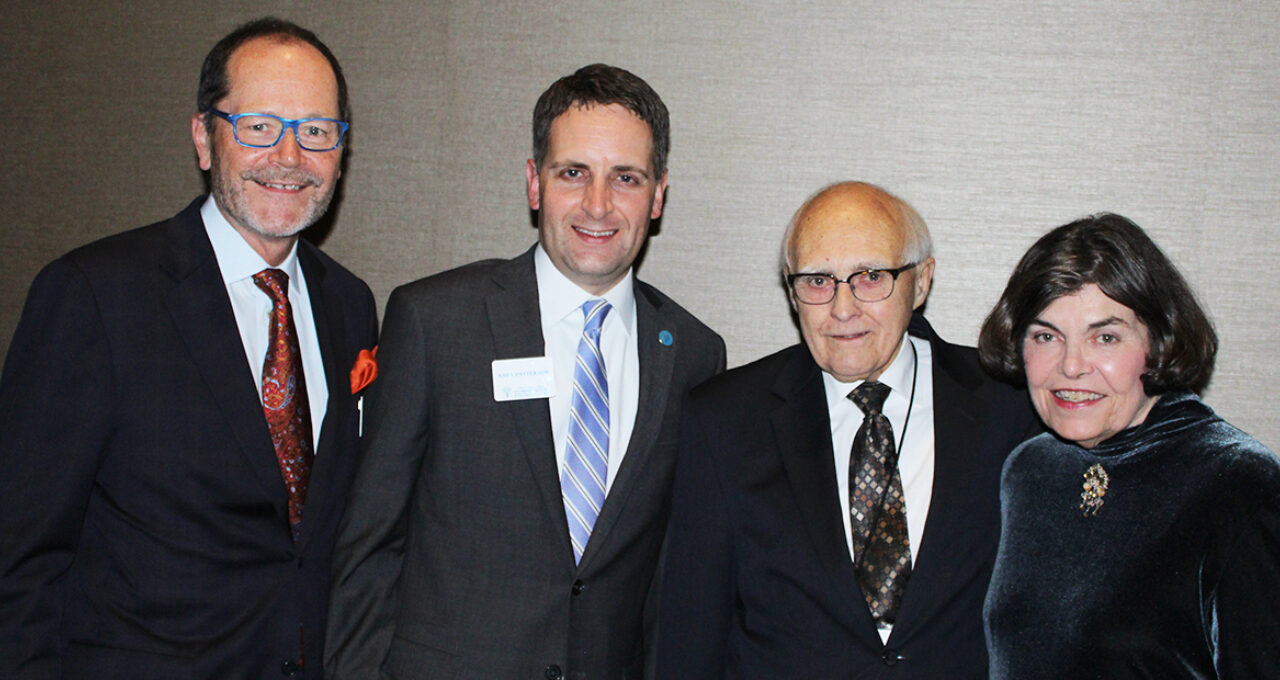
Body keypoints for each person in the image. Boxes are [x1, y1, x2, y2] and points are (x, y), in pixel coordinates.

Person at [0, 18, 377, 680]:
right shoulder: (95, 295)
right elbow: (20, 553)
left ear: (340, 153)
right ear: (204, 138)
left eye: (315, 131)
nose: (289, 155)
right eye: (259, 126)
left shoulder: (351, 305)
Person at [325, 63, 725, 680]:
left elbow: (670, 578)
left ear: (659, 194)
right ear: (535, 183)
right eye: (573, 173)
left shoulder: (694, 355)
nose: (598, 204)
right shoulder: (435, 322)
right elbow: (368, 546)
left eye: (626, 177)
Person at [656, 181, 1038, 679]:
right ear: (792, 291)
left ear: (920, 282)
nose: (842, 308)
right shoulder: (725, 420)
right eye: (817, 280)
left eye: (871, 277)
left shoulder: (1008, 406)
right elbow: (691, 636)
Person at [977, 213, 1280, 678]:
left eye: (1105, 337)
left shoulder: (1236, 482)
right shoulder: (1030, 469)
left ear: (1158, 343)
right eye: (1045, 336)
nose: (1071, 366)